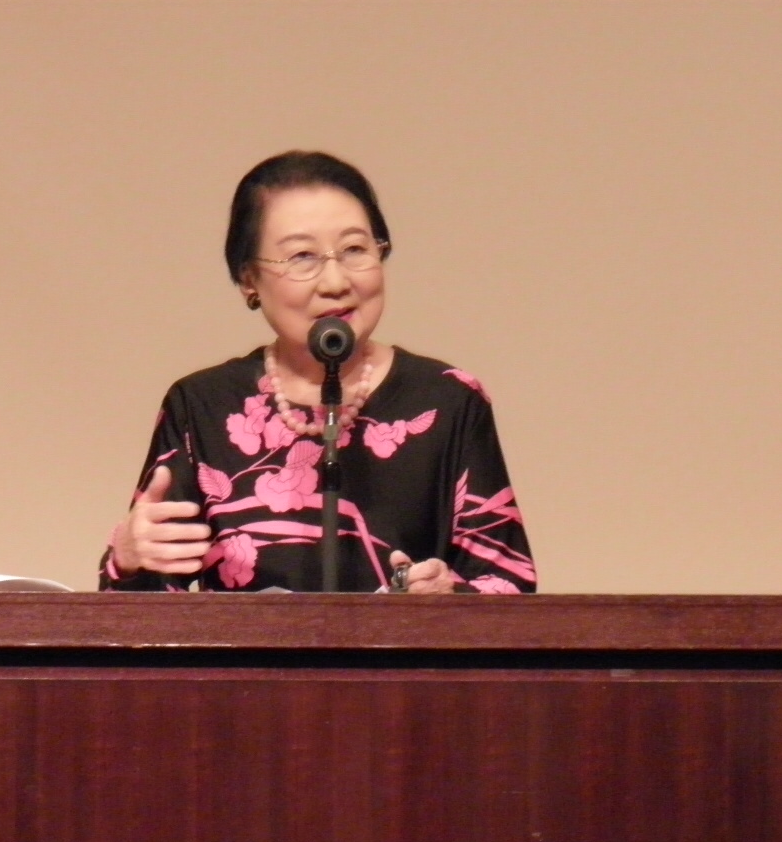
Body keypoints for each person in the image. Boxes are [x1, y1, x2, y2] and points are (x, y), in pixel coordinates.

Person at [100, 151, 536, 594]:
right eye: (302, 257)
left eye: (355, 250)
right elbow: (144, 612)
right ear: (249, 278)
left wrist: (448, 597)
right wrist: (130, 559)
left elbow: (508, 586)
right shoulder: (201, 406)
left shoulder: (448, 401)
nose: (335, 282)